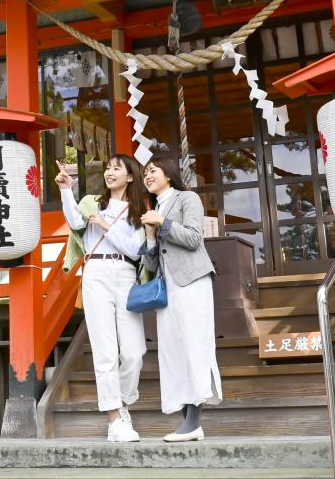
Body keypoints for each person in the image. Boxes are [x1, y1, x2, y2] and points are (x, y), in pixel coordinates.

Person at [58, 154, 149, 442]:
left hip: (125, 273)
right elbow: (74, 220)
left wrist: (107, 225)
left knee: (135, 352)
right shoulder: (92, 203)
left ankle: (122, 405)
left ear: (130, 177)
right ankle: (114, 417)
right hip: (95, 271)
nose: (110, 172)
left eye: (116, 168)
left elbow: (136, 250)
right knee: (105, 351)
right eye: (108, 168)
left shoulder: (138, 212)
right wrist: (65, 189)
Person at [139, 156, 222, 442]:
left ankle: (194, 421)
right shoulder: (153, 209)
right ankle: (188, 421)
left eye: (152, 171)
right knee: (172, 351)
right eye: (144, 173)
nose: (147, 176)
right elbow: (150, 266)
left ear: (169, 175)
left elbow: (193, 238)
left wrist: (162, 222)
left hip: (192, 282)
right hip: (168, 290)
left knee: (193, 346)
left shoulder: (187, 199)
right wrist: (150, 236)